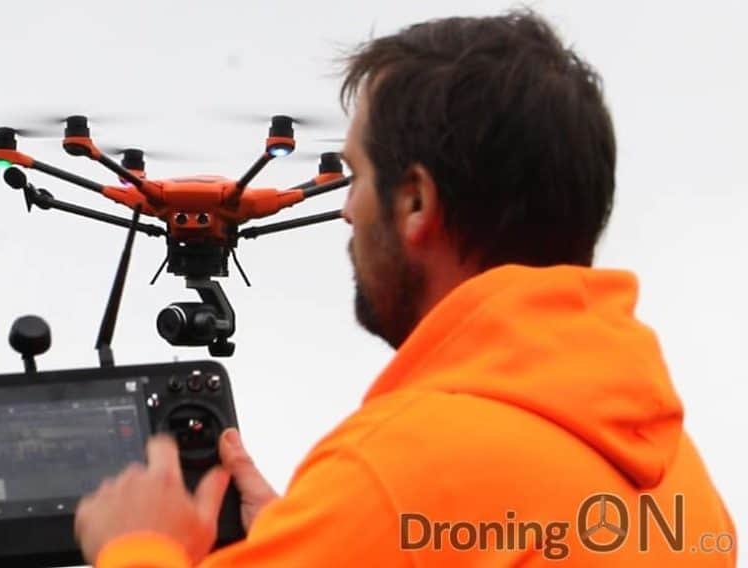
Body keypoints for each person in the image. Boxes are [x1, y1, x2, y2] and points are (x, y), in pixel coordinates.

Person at [74, 10, 737, 566]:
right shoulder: (683, 480)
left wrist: (136, 547)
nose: (344, 209)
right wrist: (311, 535)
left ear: (417, 201)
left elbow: (420, 508)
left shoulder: (394, 474)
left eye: (355, 176)